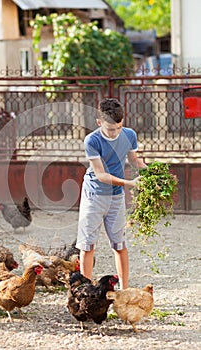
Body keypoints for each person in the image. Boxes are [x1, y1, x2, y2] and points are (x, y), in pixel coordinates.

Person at [75, 98, 147, 289]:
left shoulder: (129, 135)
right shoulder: (92, 140)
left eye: (119, 127)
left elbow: (134, 161)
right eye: (111, 129)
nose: (115, 133)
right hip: (94, 196)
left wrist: (152, 173)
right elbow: (101, 175)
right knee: (88, 246)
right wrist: (129, 183)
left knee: (120, 245)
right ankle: (85, 291)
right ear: (99, 122)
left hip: (116, 197)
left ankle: (124, 291)